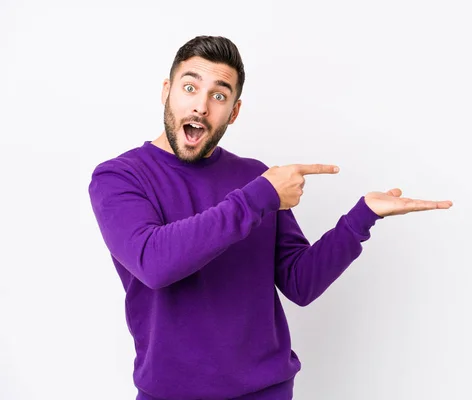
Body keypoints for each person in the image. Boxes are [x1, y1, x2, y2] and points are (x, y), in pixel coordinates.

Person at [88, 35, 452, 400]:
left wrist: (360, 219)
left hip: (266, 391)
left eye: (218, 95)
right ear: (167, 91)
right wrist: (258, 197)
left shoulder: (254, 179)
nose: (200, 106)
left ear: (234, 111)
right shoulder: (119, 177)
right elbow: (154, 263)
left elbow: (300, 283)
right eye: (189, 87)